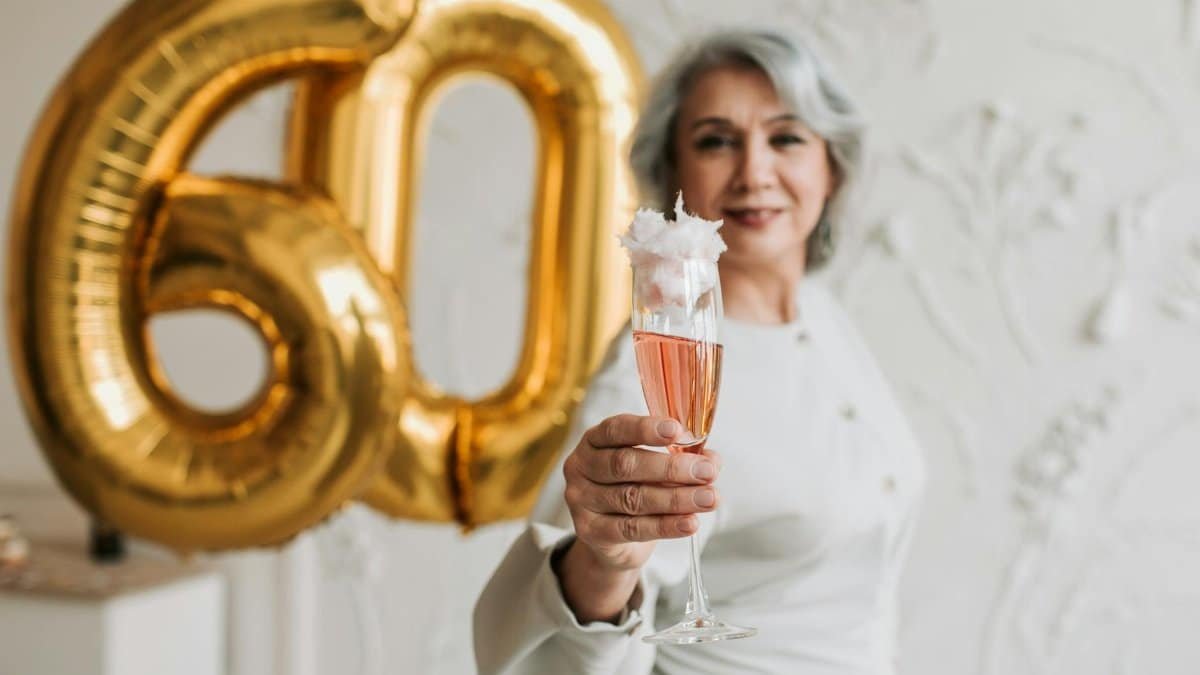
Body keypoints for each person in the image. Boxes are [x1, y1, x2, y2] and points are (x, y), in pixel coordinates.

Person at [474, 28, 925, 675]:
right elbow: (557, 654)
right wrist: (602, 561)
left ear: (832, 166)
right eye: (716, 141)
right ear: (672, 175)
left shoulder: (825, 321)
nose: (755, 172)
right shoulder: (656, 376)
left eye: (787, 137)